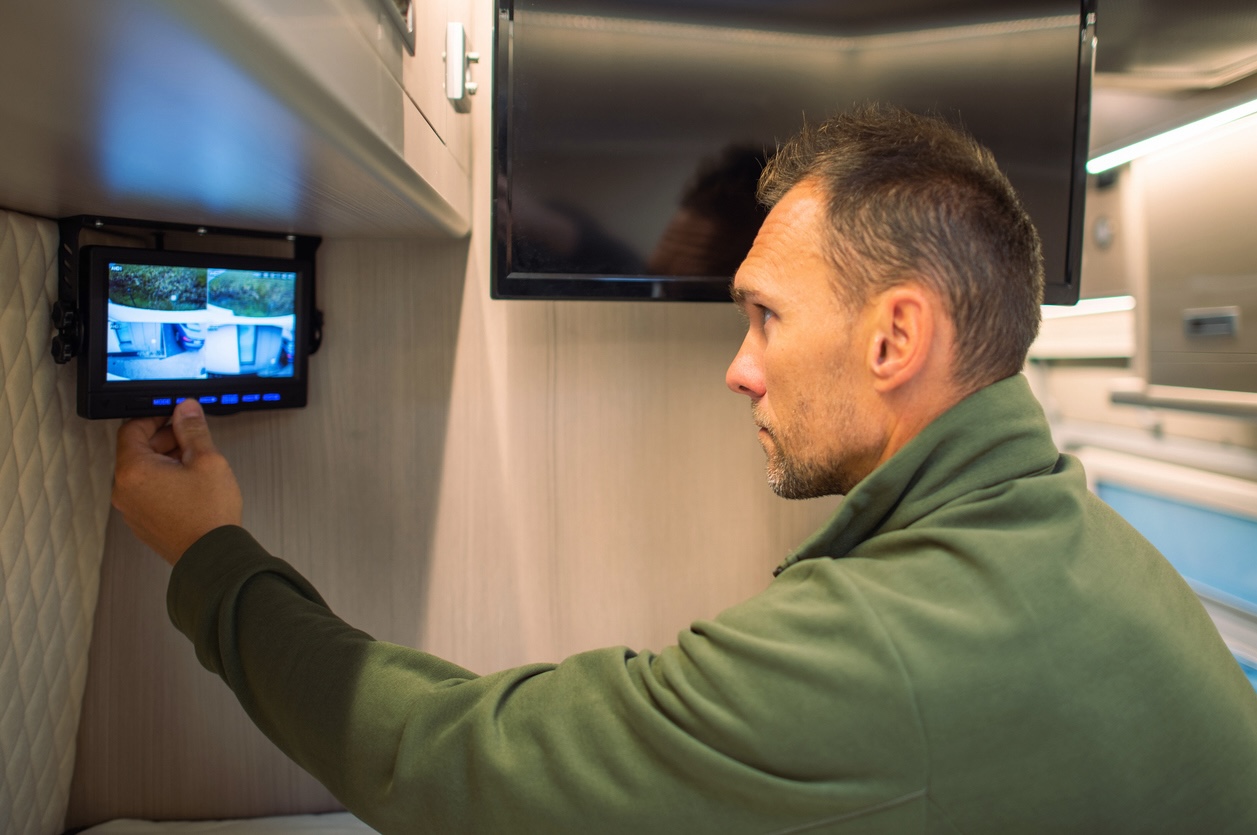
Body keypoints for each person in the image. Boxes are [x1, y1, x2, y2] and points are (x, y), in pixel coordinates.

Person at [113, 104, 1257, 834]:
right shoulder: (1082, 538)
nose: (738, 370)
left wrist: (210, 556)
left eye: (762, 317)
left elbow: (459, 765)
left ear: (894, 339)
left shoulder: (879, 643)